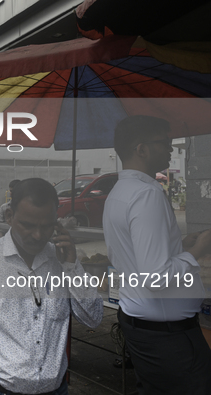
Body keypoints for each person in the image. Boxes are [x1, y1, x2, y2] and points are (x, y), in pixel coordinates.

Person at [0, 178, 103, 395]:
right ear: (9, 216)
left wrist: (72, 267)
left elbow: (93, 318)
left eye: (46, 226)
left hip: (55, 389)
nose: (37, 235)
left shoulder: (63, 261)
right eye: (28, 225)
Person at [103, 115, 211, 395]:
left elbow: (139, 256)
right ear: (142, 149)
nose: (171, 150)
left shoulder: (119, 192)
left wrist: (179, 245)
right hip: (168, 336)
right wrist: (198, 251)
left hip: (143, 326)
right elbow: (156, 276)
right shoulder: (146, 194)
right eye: (165, 143)